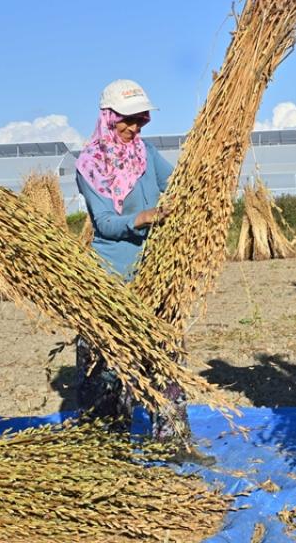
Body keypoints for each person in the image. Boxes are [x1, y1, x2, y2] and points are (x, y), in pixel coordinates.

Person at [72, 79, 206, 459]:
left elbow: (175, 184)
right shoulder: (90, 165)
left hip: (155, 273)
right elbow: (104, 224)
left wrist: (200, 182)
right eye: (126, 121)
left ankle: (175, 444)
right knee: (109, 366)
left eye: (140, 121)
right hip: (111, 277)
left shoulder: (145, 152)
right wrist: (141, 218)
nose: (133, 129)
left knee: (165, 359)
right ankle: (107, 450)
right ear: (108, 119)